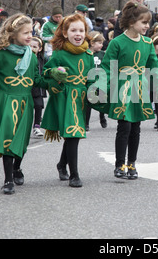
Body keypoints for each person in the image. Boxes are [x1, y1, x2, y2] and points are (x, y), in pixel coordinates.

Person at [0, 14, 55, 194]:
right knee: (8, 138)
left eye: (31, 32)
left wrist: (53, 79)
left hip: (26, 102)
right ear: (13, 33)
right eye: (25, 33)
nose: (29, 36)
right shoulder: (0, 55)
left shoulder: (31, 56)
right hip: (5, 101)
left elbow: (36, 80)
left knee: (22, 141)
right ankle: (8, 179)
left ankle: (17, 167)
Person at [94, 1, 158, 179]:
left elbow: (155, 68)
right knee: (124, 126)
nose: (147, 26)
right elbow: (106, 67)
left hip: (139, 88)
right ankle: (119, 164)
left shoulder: (147, 43)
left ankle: (131, 164)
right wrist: (101, 88)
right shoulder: (117, 43)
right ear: (131, 22)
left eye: (148, 22)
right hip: (122, 88)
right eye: (143, 22)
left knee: (136, 127)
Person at [41, 13, 94, 188]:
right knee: (73, 133)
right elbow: (46, 72)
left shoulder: (88, 55)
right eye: (73, 30)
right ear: (65, 33)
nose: (78, 34)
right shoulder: (59, 54)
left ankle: (62, 164)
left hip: (81, 99)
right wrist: (55, 72)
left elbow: (91, 77)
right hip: (65, 97)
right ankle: (74, 175)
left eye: (81, 30)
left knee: (73, 136)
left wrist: (97, 89)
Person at [85, 31, 107, 131]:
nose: (101, 45)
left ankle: (102, 116)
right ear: (92, 43)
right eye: (99, 43)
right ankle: (86, 123)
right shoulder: (86, 53)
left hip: (100, 82)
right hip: (90, 82)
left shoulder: (103, 54)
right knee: (88, 102)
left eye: (102, 43)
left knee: (101, 100)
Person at [29, 36, 47, 137]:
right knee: (28, 108)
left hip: (38, 87)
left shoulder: (42, 59)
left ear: (40, 49)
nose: (32, 48)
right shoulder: (24, 58)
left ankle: (36, 126)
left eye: (35, 47)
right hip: (27, 87)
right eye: (30, 46)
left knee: (39, 106)